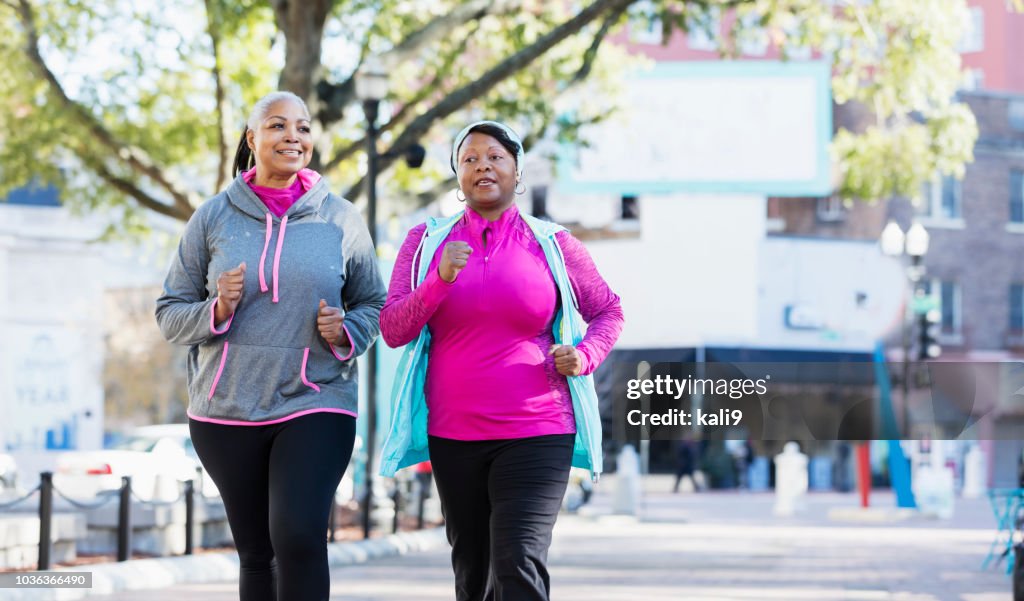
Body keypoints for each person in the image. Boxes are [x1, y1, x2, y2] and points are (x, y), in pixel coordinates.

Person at [378, 120, 624, 601]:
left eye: (495, 157)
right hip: (455, 433)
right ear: (458, 177)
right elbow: (393, 329)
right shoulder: (425, 243)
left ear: (516, 171)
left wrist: (585, 354)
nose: (483, 166)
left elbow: (608, 310)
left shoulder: (553, 243)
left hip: (539, 428)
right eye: (469, 159)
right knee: (473, 574)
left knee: (518, 561)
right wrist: (438, 281)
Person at [155, 91, 385, 601]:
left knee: (299, 536)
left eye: (303, 128)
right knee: (257, 553)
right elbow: (169, 313)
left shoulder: (340, 219)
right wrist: (215, 310)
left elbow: (374, 303)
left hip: (315, 397)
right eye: (278, 126)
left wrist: (345, 330)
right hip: (227, 407)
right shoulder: (214, 217)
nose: (293, 138)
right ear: (252, 138)